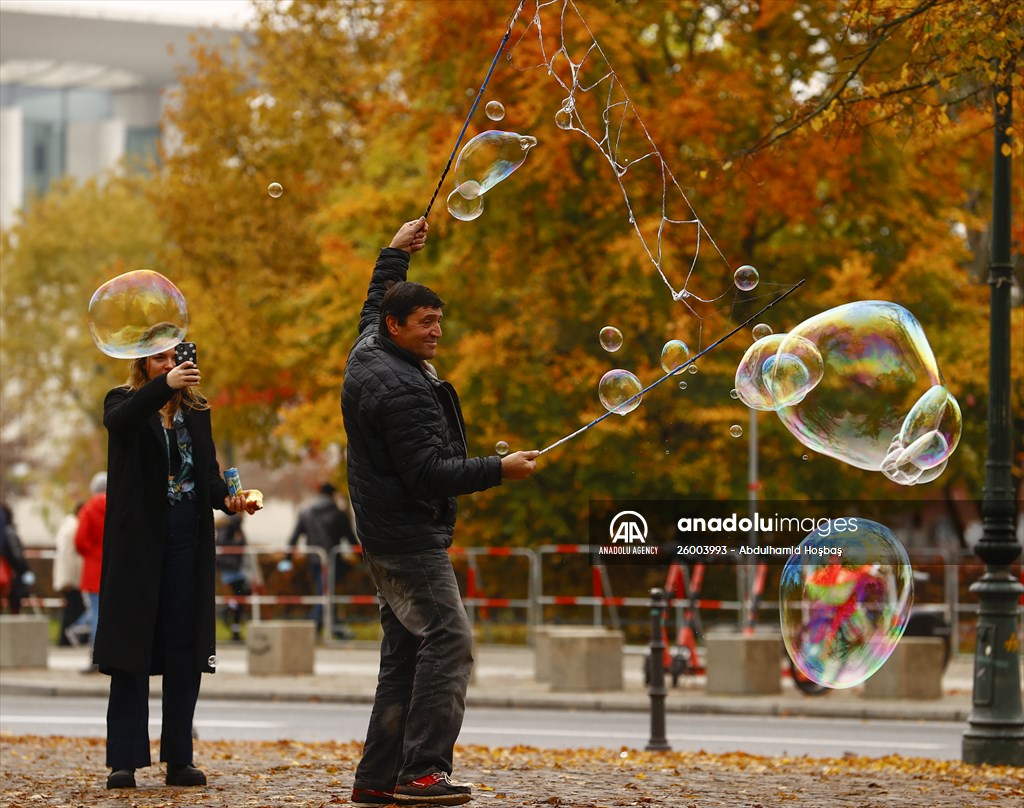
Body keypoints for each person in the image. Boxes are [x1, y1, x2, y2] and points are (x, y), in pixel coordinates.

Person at [341, 218, 539, 807]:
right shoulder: (400, 388)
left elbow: (372, 305)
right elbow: (427, 474)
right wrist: (500, 469)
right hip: (406, 535)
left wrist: (394, 254)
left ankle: (377, 778)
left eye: (439, 321)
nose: (437, 331)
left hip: (382, 529)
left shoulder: (369, 350)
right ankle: (423, 772)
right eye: (425, 322)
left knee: (406, 651)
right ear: (395, 328)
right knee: (450, 639)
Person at [95, 343, 258, 790]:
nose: (171, 365)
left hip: (187, 538)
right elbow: (121, 424)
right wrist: (161, 387)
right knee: (132, 647)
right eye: (161, 358)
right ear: (143, 363)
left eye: (176, 358)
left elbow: (206, 476)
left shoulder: (197, 412)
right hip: (139, 544)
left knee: (183, 647)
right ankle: (123, 760)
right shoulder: (122, 401)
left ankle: (179, 758)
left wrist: (228, 499)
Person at [287, 482, 358, 638]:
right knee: (325, 591)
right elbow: (350, 537)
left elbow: (294, 536)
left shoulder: (306, 512)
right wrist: (361, 556)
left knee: (323, 590)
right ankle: (318, 625)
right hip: (332, 559)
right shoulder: (338, 513)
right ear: (332, 495)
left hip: (313, 559)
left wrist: (287, 558)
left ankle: (323, 625)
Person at [72, 472, 107, 660]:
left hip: (94, 569)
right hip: (116, 569)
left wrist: (90, 552)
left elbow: (79, 540)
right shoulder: (119, 505)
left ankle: (96, 656)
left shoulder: (89, 508)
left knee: (95, 613)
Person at [53, 501, 87, 646]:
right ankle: (66, 639)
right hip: (71, 578)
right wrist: (67, 580)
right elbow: (67, 555)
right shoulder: (73, 528)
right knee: (74, 608)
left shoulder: (69, 526)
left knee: (71, 608)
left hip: (69, 577)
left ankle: (65, 640)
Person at [215, 512, 250, 642]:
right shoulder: (229, 526)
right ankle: (227, 612)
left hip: (235, 568)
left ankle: (234, 626)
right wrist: (237, 541)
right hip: (230, 569)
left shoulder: (235, 526)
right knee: (238, 597)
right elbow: (222, 546)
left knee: (240, 597)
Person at [0, 503, 34, 614]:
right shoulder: (9, 532)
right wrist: (24, 569)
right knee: (14, 599)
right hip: (11, 570)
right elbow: (17, 555)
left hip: (9, 569)